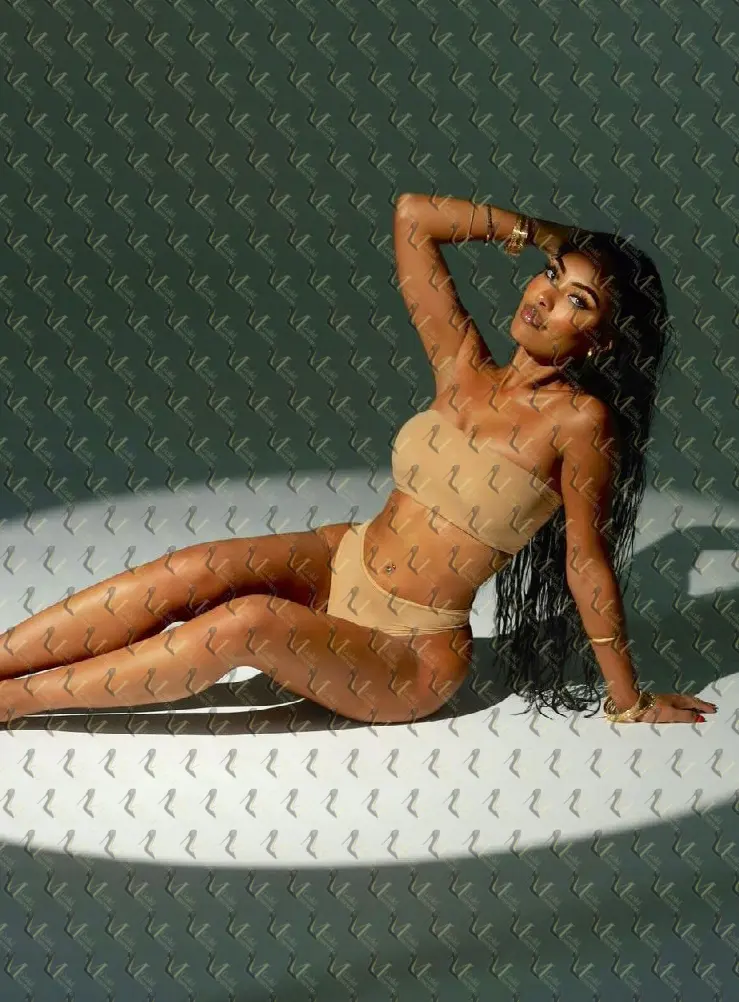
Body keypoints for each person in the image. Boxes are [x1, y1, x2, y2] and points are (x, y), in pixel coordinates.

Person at [0, 194, 717, 728]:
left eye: (575, 301)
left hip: (409, 649)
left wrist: (627, 699)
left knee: (245, 622)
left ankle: (12, 702)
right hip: (339, 561)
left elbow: (586, 562)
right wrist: (539, 232)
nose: (544, 297)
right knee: (192, 568)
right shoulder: (464, 370)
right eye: (550, 276)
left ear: (602, 341)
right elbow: (413, 217)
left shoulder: (580, 423)